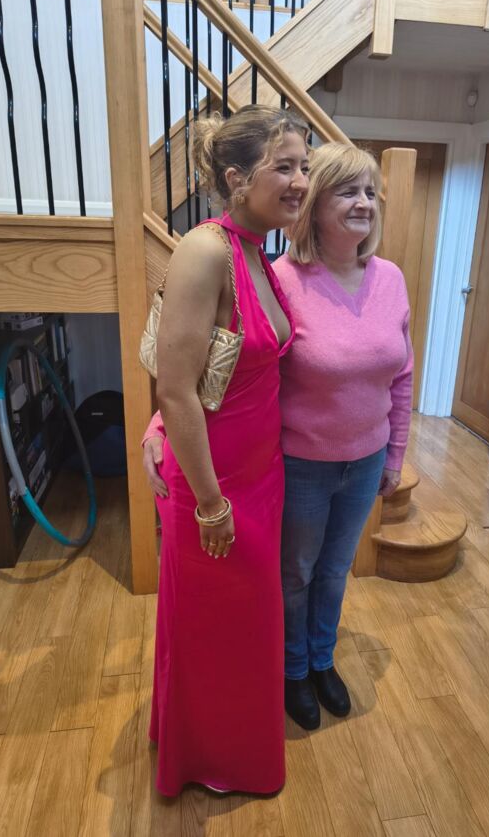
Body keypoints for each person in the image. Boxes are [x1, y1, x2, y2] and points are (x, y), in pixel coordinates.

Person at [144, 142, 413, 732]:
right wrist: (159, 423)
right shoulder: (281, 277)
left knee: (335, 570)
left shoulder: (390, 279)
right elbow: (218, 364)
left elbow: (402, 375)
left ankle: (321, 659)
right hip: (300, 463)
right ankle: (292, 670)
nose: (364, 203)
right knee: (296, 573)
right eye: (348, 191)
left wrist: (395, 453)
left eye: (370, 192)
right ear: (316, 205)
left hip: (366, 459)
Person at [148, 104, 309, 796]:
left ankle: (233, 746)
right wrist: (211, 503)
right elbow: (174, 389)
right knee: (214, 628)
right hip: (212, 487)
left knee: (245, 628)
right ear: (237, 178)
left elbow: (225, 369)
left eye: (305, 167)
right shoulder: (205, 250)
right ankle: (209, 757)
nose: (301, 181)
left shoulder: (257, 253)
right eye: (285, 166)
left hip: (260, 476)